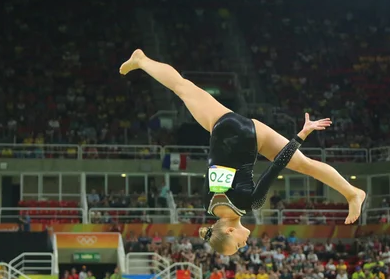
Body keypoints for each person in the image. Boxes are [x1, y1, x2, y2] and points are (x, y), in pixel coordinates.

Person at [120, 50, 366, 255]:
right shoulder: (209, 205)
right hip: (221, 128)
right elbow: (217, 165)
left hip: (250, 136)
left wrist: (301, 135)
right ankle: (141, 60)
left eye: (238, 244)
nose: (245, 243)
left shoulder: (249, 204)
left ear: (228, 230)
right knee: (182, 87)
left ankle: (352, 193)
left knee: (305, 165)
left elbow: (275, 167)